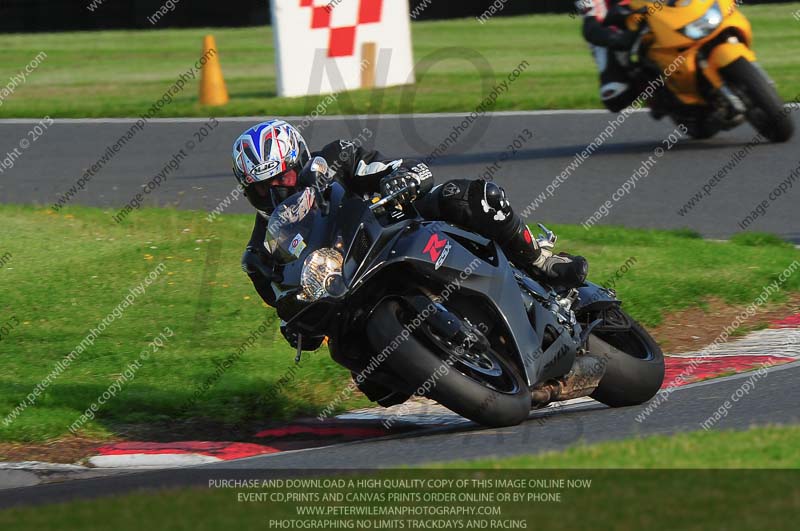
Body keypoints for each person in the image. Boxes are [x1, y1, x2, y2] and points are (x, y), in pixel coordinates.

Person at [232, 120, 588, 348]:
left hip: (397, 229)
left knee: (470, 198)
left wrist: (404, 177)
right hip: (349, 292)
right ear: (248, 192)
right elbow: (285, 303)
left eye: (283, 179)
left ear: (299, 163)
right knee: (360, 364)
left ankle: (540, 260)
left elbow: (393, 167)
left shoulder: (335, 159)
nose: (277, 192)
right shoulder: (259, 253)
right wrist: (296, 323)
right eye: (263, 188)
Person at [577, 0, 638, 112]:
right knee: (615, 98)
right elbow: (590, 26)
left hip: (657, 20)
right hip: (620, 35)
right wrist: (614, 39)